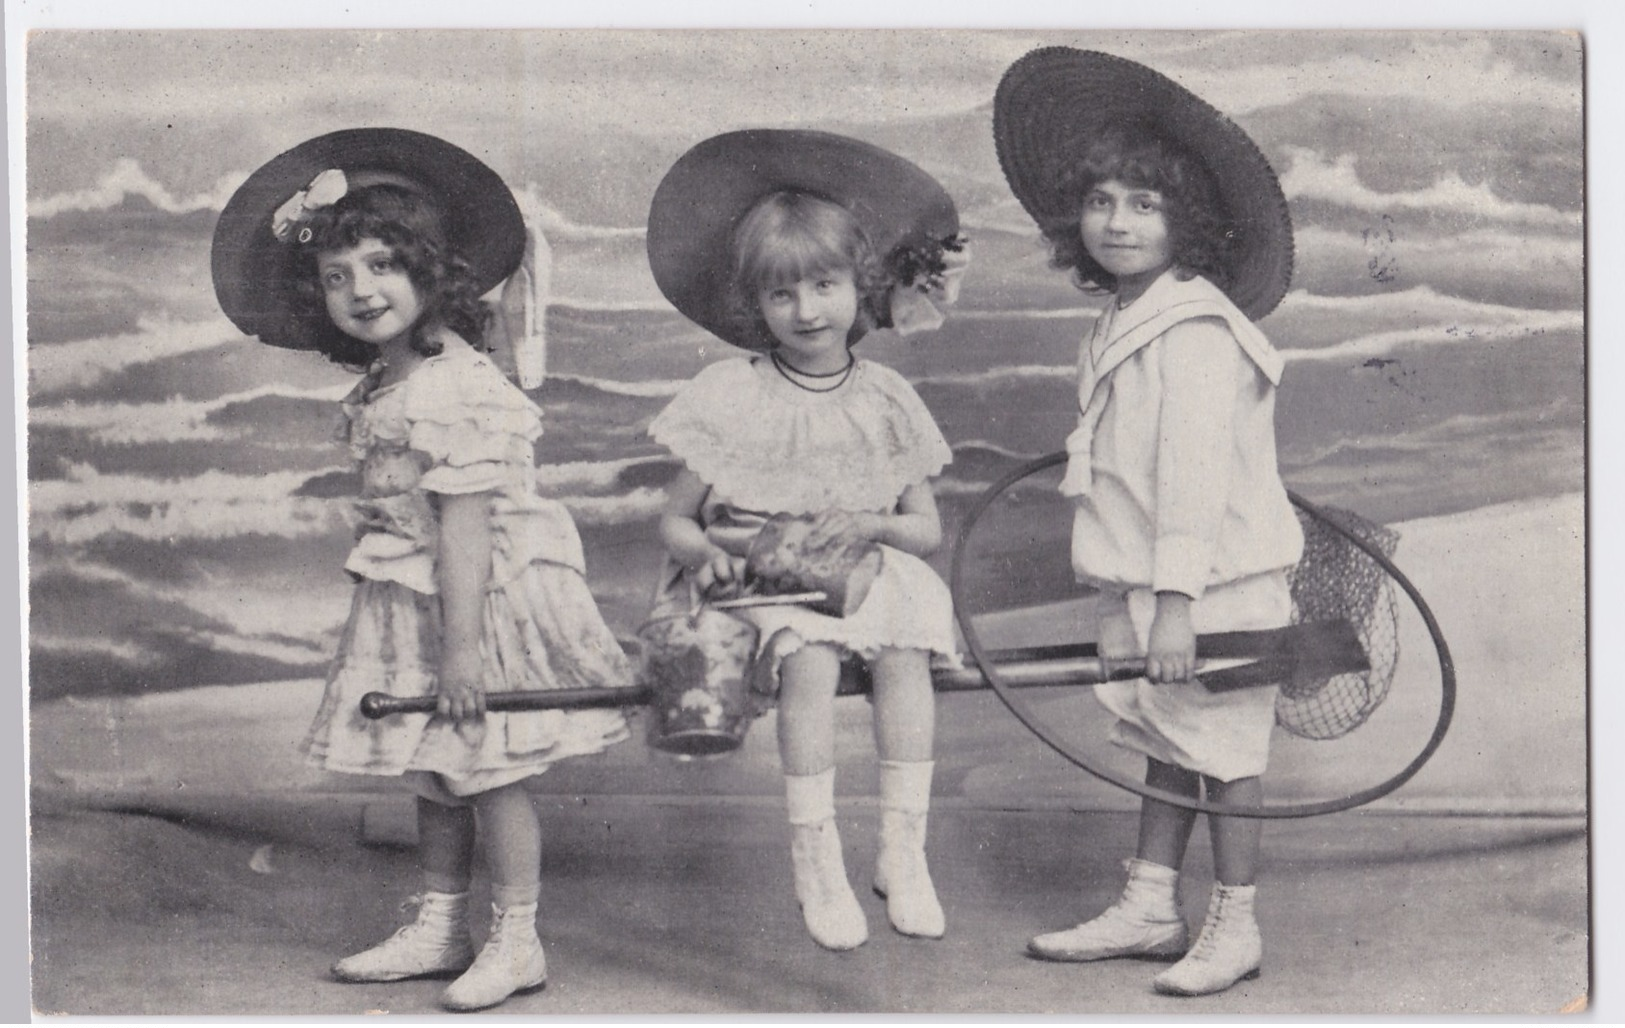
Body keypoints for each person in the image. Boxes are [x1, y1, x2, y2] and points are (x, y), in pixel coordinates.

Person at [211, 128, 632, 1012]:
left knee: (491, 770)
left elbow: (468, 527)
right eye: (336, 276)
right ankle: (441, 925)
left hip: (477, 600)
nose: (360, 290)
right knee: (435, 769)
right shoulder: (389, 377)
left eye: (381, 265)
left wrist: (466, 654)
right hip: (417, 590)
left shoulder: (453, 385)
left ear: (432, 271)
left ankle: (516, 938)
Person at [992, 48, 1305, 996]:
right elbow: (1122, 473)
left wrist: (1175, 604)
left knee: (1223, 751)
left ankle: (1234, 922)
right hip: (1147, 581)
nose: (1117, 223)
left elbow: (1192, 482)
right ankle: (1149, 904)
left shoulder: (1198, 333)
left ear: (1190, 225)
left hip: (1213, 582)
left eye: (1145, 205)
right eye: (1101, 203)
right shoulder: (1126, 319)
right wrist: (1129, 594)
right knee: (1164, 740)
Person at [643, 129, 969, 951]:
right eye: (783, 296)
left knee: (905, 650)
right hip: (767, 580)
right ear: (756, 305)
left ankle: (903, 848)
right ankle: (815, 854)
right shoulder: (732, 392)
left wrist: (872, 523)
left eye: (824, 286)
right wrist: (699, 553)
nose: (807, 311)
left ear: (859, 286)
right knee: (811, 658)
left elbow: (924, 530)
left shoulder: (886, 397)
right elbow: (677, 517)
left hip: (863, 565)